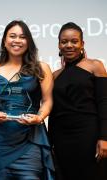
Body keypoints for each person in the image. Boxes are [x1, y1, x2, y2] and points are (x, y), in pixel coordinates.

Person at [0, 20, 55, 180]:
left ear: (28, 41)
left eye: (22, 37)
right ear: (4, 41)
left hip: (30, 140)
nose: (17, 40)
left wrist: (40, 117)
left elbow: (48, 101)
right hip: (0, 141)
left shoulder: (41, 68)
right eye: (12, 36)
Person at [48, 22, 107, 180]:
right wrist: (50, 142)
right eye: (64, 41)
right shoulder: (54, 76)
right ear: (59, 45)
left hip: (89, 135)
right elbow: (53, 112)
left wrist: (104, 138)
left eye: (74, 41)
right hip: (62, 139)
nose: (69, 45)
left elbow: (104, 103)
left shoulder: (96, 66)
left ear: (82, 44)